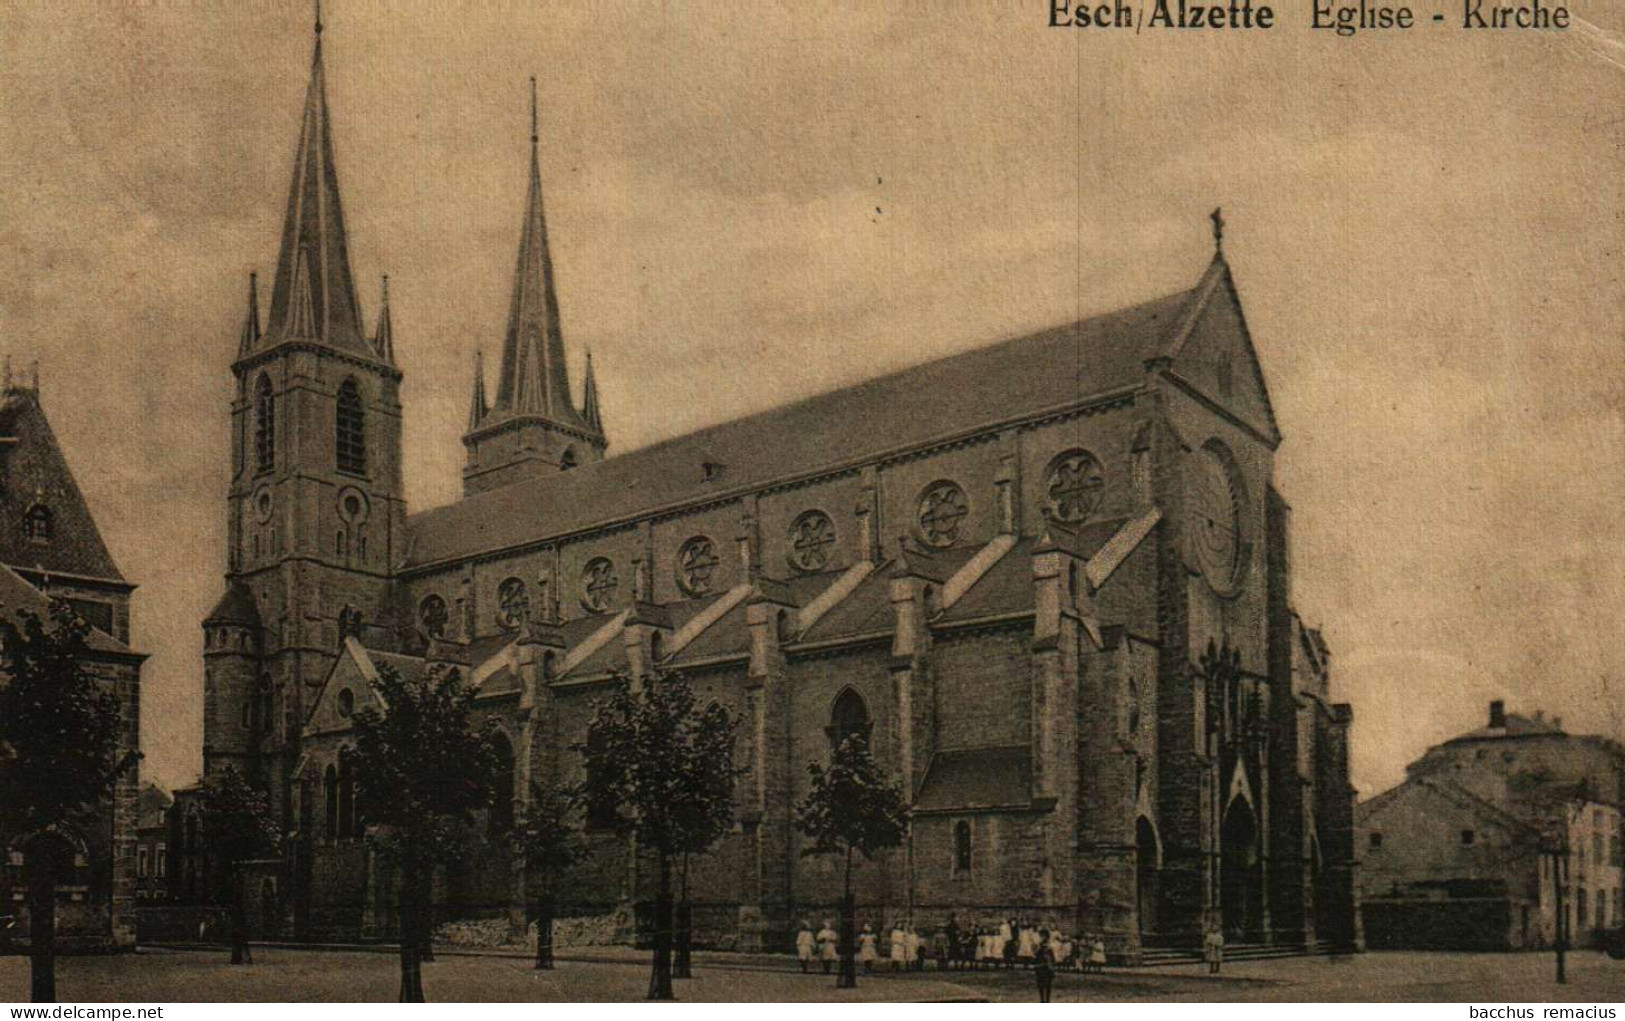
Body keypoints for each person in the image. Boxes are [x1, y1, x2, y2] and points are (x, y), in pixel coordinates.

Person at [1034, 928, 1057, 1003]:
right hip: (1040, 966)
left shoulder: (1050, 945)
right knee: (1040, 984)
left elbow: (1052, 957)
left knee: (1048, 985)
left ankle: (1047, 1000)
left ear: (1047, 936)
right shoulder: (1038, 945)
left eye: (1044, 936)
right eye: (1041, 936)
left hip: (1047, 967)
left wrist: (1052, 967)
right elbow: (1035, 953)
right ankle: (1042, 1000)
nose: (1042, 937)